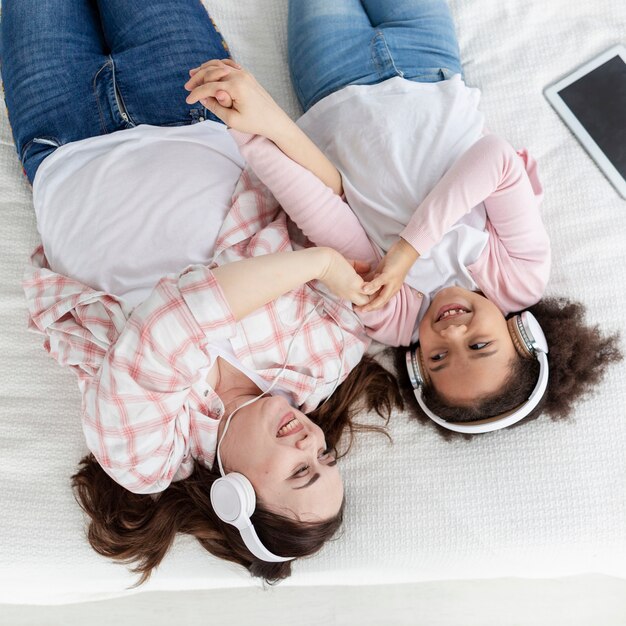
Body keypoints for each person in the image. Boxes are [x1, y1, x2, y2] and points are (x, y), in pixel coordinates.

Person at [0, 0, 402, 583]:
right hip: (187, 102)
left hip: (61, 138)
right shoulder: (326, 359)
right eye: (326, 456)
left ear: (236, 497)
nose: (312, 442)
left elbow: (171, 323)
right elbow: (331, 209)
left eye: (300, 470)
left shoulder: (145, 456)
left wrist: (313, 264)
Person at [184, 0, 622, 433]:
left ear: (416, 367)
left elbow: (326, 208)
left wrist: (252, 133)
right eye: (479, 344)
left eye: (438, 358)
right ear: (522, 337)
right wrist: (405, 253)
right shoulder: (519, 278)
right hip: (428, 59)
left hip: (334, 81)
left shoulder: (392, 318)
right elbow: (497, 161)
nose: (452, 334)